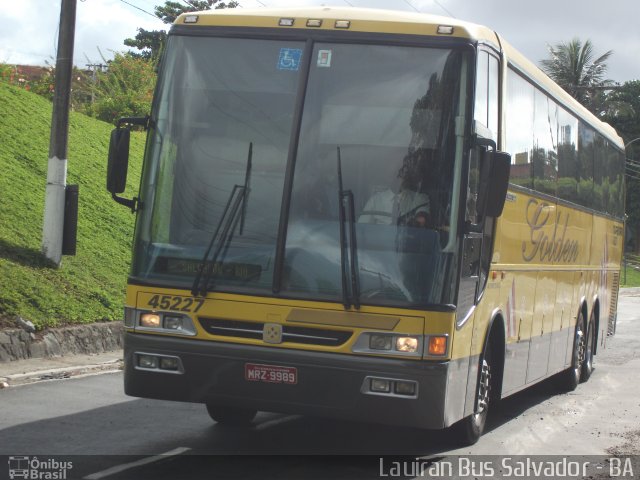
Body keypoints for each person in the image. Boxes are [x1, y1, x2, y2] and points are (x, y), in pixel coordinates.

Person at [358, 184, 430, 227]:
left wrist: (413, 222)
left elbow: (421, 219)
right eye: (393, 174)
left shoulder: (419, 199)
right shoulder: (375, 200)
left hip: (407, 246)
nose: (397, 178)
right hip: (379, 247)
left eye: (400, 174)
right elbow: (362, 228)